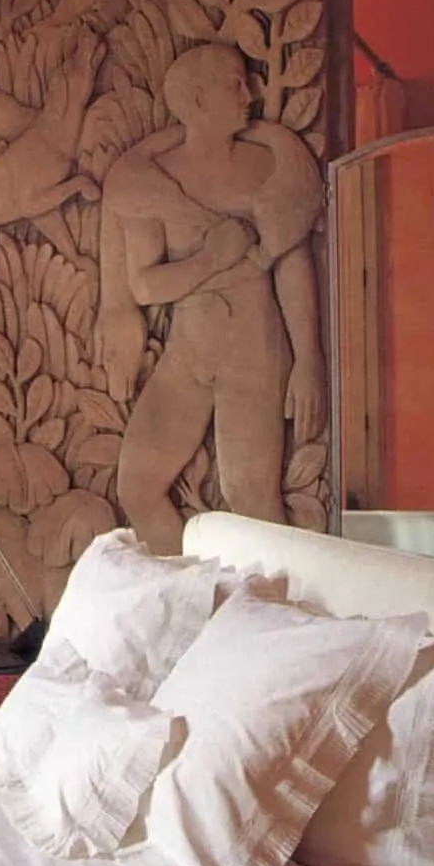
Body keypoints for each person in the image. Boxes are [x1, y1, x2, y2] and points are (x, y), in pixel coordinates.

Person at [96, 42, 326, 554]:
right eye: (235, 84)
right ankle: (186, 589)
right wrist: (212, 259)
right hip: (189, 349)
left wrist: (309, 359)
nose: (250, 94)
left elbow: (292, 266)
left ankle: (270, 602)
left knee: (252, 499)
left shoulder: (262, 166)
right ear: (198, 99)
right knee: (137, 485)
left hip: (255, 347)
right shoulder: (155, 179)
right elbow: (145, 285)